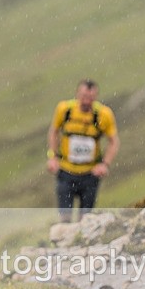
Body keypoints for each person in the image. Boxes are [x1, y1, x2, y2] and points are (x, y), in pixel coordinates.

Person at [47, 79, 120, 222]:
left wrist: (105, 164)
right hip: (66, 172)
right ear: (77, 94)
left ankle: (80, 242)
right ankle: (65, 242)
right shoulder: (65, 110)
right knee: (65, 217)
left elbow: (114, 141)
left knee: (85, 219)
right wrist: (52, 157)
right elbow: (53, 132)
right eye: (83, 97)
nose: (86, 101)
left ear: (96, 97)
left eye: (90, 98)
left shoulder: (103, 114)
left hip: (90, 175)